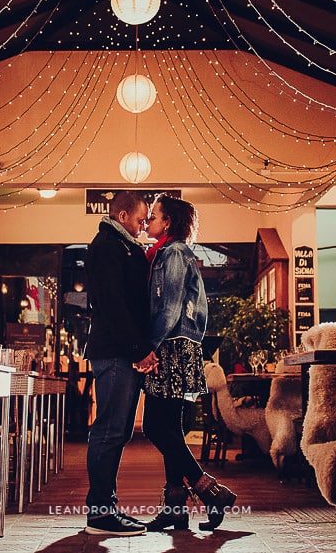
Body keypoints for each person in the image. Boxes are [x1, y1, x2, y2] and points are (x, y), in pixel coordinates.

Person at [139, 193, 237, 532]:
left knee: (155, 426)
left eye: (154, 215)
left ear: (167, 222)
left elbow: (168, 307)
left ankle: (211, 491)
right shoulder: (163, 253)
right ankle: (176, 508)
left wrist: (149, 347)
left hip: (170, 346)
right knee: (170, 429)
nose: (148, 219)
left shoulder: (175, 253)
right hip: (176, 346)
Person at [82, 190, 158, 535]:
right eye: (141, 220)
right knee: (109, 431)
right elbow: (113, 304)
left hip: (119, 351)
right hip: (115, 351)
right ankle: (100, 513)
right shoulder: (107, 245)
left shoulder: (120, 245)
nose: (144, 226)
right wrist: (138, 348)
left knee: (116, 432)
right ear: (123, 215)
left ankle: (105, 508)